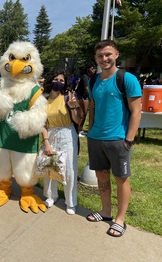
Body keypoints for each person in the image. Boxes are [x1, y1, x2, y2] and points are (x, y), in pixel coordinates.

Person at [86, 39, 141, 237]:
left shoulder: (127, 79)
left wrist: (129, 139)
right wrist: (90, 130)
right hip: (96, 138)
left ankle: (120, 219)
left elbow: (136, 112)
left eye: (108, 54)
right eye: (100, 56)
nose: (104, 59)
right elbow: (93, 107)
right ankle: (106, 211)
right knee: (101, 176)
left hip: (118, 139)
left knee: (121, 179)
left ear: (117, 54)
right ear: (96, 58)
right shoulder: (93, 81)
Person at [41, 69, 83, 215]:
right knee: (51, 166)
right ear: (49, 80)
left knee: (69, 169)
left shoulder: (68, 97)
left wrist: (72, 107)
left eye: (61, 80)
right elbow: (43, 124)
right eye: (55, 79)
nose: (58, 83)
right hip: (51, 133)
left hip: (67, 133)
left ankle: (70, 202)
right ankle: (51, 195)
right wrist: (46, 141)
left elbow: (78, 120)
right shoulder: (44, 99)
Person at [75, 61, 97, 137]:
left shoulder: (91, 77)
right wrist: (93, 97)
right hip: (80, 95)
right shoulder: (85, 77)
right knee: (81, 114)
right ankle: (77, 130)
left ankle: (80, 130)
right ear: (88, 69)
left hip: (85, 96)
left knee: (84, 114)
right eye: (92, 68)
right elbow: (86, 89)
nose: (94, 69)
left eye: (95, 68)